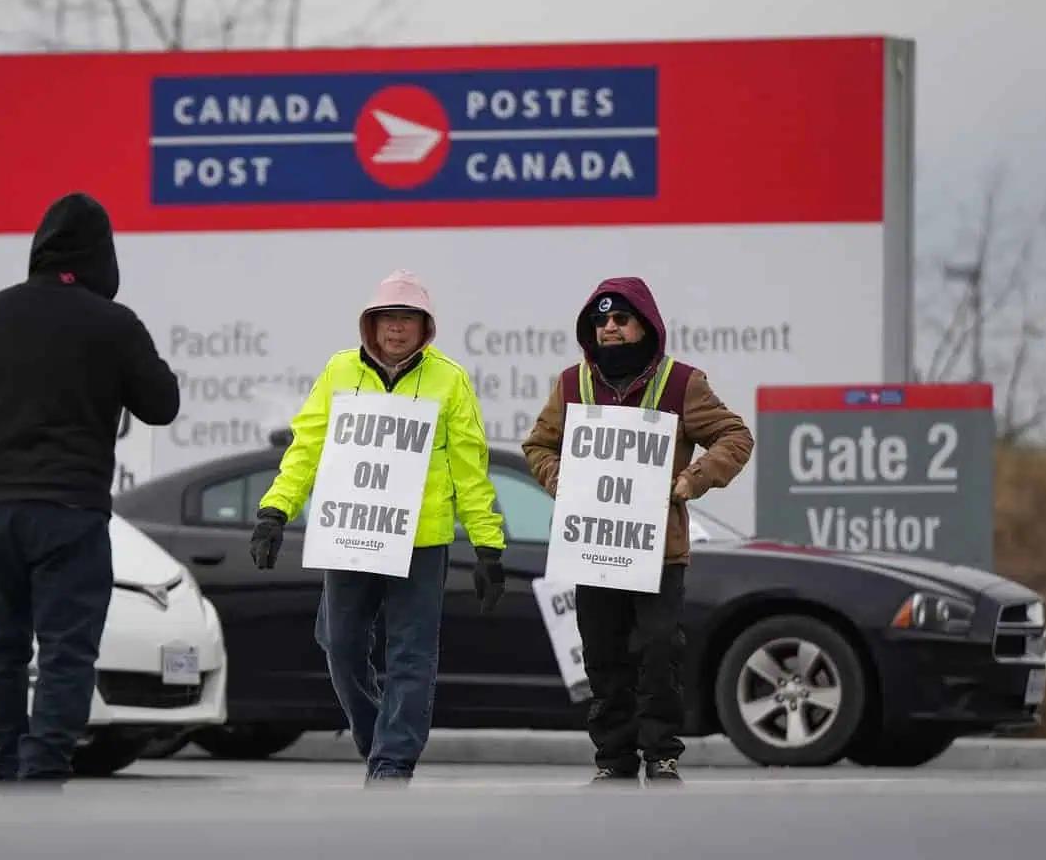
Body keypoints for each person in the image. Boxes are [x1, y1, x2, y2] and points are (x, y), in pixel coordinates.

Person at [0, 192, 180, 785]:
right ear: (102, 256)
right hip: (69, 512)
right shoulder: (113, 323)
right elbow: (162, 404)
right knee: (65, 651)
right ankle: (43, 772)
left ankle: (3, 767)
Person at [249, 269, 507, 785]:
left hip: (422, 541)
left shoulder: (449, 380)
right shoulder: (340, 371)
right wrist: (274, 511)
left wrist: (488, 546)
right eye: (388, 318)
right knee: (340, 645)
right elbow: (307, 447)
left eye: (407, 319)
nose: (396, 329)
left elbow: (469, 469)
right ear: (371, 323)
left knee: (412, 655)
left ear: (424, 326)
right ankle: (377, 738)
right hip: (349, 534)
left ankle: (393, 761)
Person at [522, 278, 753, 785]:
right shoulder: (572, 384)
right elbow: (538, 446)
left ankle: (662, 755)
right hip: (594, 546)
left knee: (657, 650)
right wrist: (563, 479)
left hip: (659, 552)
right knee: (602, 656)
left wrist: (693, 479)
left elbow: (735, 436)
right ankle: (613, 760)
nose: (609, 328)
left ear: (645, 324)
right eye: (600, 321)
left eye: (620, 319)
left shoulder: (681, 383)